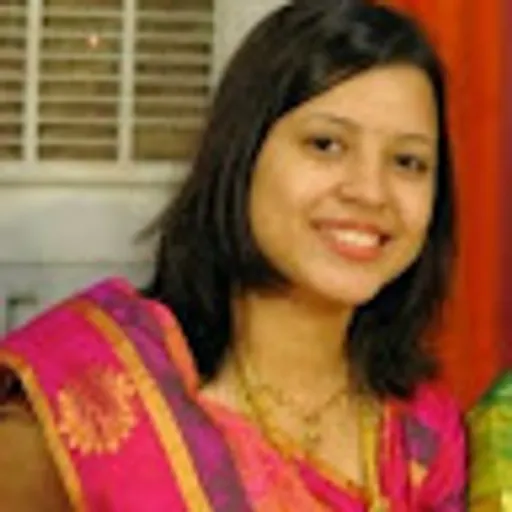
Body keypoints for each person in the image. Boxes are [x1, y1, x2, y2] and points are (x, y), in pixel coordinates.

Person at [0, 0, 467, 510]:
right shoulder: (93, 394)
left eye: (408, 161)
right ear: (242, 156)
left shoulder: (423, 436)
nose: (371, 192)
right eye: (326, 144)